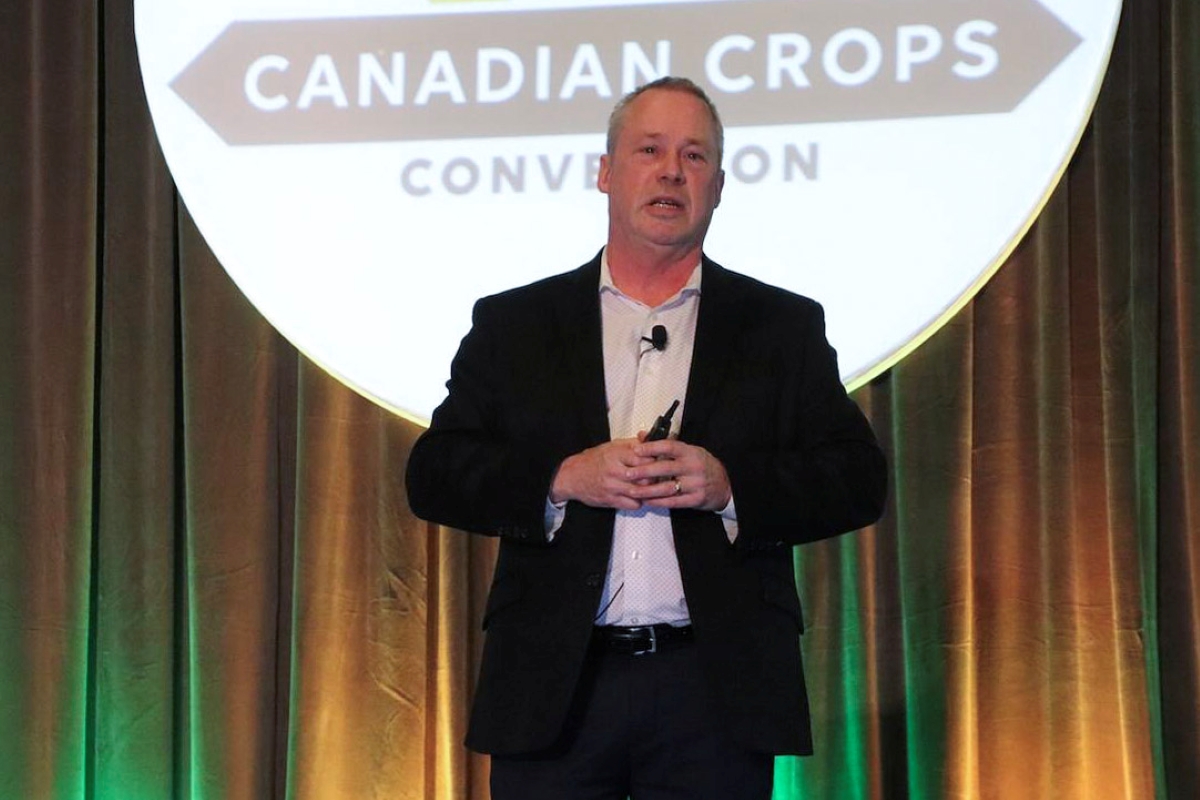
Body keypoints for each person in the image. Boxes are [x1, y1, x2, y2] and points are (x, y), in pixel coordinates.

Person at [405, 76, 887, 800]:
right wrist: (563, 478)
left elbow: (857, 478)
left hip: (712, 691)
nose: (671, 171)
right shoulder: (517, 324)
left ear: (719, 186)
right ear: (605, 172)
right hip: (556, 689)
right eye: (649, 150)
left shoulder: (779, 327)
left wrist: (731, 489)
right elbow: (434, 471)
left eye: (694, 157)